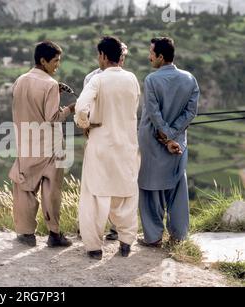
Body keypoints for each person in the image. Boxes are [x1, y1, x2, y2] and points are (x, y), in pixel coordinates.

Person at [75, 36, 141, 260]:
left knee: (95, 195)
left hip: (101, 144)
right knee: (126, 194)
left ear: (103, 56)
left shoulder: (98, 80)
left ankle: (94, 247)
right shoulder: (132, 79)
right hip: (127, 144)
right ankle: (126, 242)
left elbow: (81, 107)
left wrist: (85, 123)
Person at [9, 40, 75, 248]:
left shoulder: (20, 80)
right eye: (55, 61)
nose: (57, 65)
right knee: (51, 190)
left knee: (24, 188)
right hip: (49, 146)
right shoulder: (50, 84)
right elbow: (53, 117)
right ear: (43, 60)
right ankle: (54, 234)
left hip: (26, 142)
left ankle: (26, 233)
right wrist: (70, 109)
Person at [138, 37, 199, 247]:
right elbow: (191, 112)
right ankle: (179, 236)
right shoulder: (190, 79)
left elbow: (154, 114)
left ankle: (153, 236)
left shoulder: (151, 80)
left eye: (151, 53)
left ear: (161, 57)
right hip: (179, 143)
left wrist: (166, 136)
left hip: (153, 142)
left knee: (150, 189)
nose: (149, 57)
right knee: (177, 186)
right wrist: (173, 135)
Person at [80, 42, 129, 242]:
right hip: (99, 138)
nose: (122, 60)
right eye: (121, 55)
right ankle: (92, 229)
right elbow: (86, 107)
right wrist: (86, 125)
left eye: (124, 56)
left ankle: (115, 228)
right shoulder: (91, 78)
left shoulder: (125, 79)